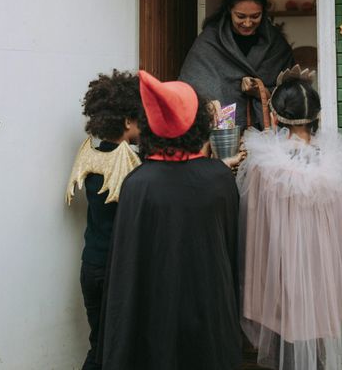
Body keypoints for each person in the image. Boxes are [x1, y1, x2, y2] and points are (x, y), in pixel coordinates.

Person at [236, 66, 342, 370]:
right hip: (325, 273)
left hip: (282, 270)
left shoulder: (265, 165)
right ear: (317, 116)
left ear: (276, 116)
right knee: (317, 345)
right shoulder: (337, 163)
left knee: (286, 341)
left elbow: (253, 227)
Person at [99, 70, 242, 370]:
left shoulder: (138, 184)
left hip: (154, 322)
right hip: (210, 312)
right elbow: (231, 250)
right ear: (199, 124)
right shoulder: (220, 178)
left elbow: (126, 273)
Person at [65, 70, 143, 370]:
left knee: (100, 344)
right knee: (114, 351)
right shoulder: (132, 164)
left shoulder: (92, 154)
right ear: (127, 121)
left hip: (92, 265)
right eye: (140, 117)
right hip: (117, 270)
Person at [179, 0, 294, 130]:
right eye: (240, 16)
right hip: (219, 136)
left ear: (264, 11)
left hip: (267, 137)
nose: (247, 23)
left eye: (255, 16)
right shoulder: (209, 41)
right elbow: (189, 91)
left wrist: (262, 91)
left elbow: (292, 95)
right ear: (229, 10)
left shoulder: (276, 45)